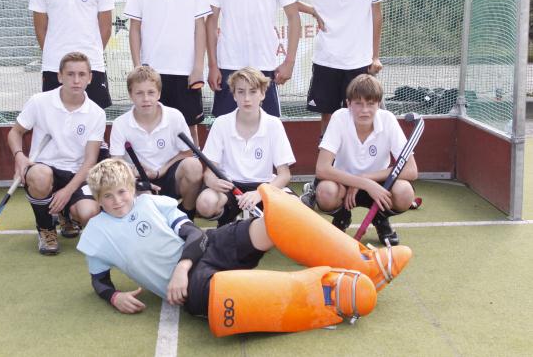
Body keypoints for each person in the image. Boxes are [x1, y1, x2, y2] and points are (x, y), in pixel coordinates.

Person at [76, 159, 413, 335]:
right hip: (194, 286)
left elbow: (194, 235)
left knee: (274, 220)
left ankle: (364, 264)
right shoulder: (97, 235)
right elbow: (99, 280)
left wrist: (181, 267)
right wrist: (114, 297)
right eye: (108, 196)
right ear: (98, 199)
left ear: (132, 188)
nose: (118, 200)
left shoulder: (152, 203)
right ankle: (331, 296)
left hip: (205, 250)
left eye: (122, 192)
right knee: (225, 299)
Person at [292, 0, 388, 136]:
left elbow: (377, 15)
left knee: (362, 113)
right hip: (326, 59)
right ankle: (326, 155)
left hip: (359, 61)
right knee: (329, 116)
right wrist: (311, 10)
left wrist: (375, 56)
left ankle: (361, 155)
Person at [124, 0, 211, 145]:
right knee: (154, 127)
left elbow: (199, 26)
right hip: (152, 71)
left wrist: (198, 67)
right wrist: (138, 67)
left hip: (184, 70)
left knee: (189, 129)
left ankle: (193, 166)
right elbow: (135, 28)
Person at [7, 52, 105, 254]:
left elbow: (90, 161)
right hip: (45, 169)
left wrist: (67, 191)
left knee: (90, 213)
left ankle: (66, 214)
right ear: (60, 76)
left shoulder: (97, 113)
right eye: (70, 74)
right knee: (39, 176)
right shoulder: (39, 101)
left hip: (77, 174)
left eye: (81, 74)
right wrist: (19, 156)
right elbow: (15, 132)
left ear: (90, 78)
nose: (76, 80)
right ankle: (45, 228)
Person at [310, 74, 418, 246]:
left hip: (378, 184)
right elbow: (322, 169)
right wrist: (363, 183)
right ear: (348, 104)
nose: (364, 110)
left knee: (405, 193)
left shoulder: (388, 119)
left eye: (370, 103)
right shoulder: (339, 117)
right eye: (358, 103)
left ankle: (380, 218)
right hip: (343, 183)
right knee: (325, 192)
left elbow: (411, 171)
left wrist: (366, 179)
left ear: (378, 104)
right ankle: (342, 217)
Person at [195, 67, 297, 226]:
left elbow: (284, 175)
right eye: (241, 92)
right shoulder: (221, 123)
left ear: (262, 94)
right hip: (229, 186)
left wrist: (260, 193)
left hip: (264, 186)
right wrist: (213, 182)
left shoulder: (274, 124)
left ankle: (262, 225)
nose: (247, 98)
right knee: (206, 203)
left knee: (296, 207)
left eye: (253, 92)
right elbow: (209, 173)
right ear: (234, 95)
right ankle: (227, 221)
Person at [109, 66, 203, 220]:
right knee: (144, 211)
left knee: (194, 166)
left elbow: (187, 152)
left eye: (151, 92)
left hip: (169, 175)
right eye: (139, 93)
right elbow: (115, 163)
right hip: (136, 179)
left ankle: (186, 215)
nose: (146, 98)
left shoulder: (174, 116)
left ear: (159, 93)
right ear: (130, 95)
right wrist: (133, 174)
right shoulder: (120, 123)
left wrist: (161, 171)